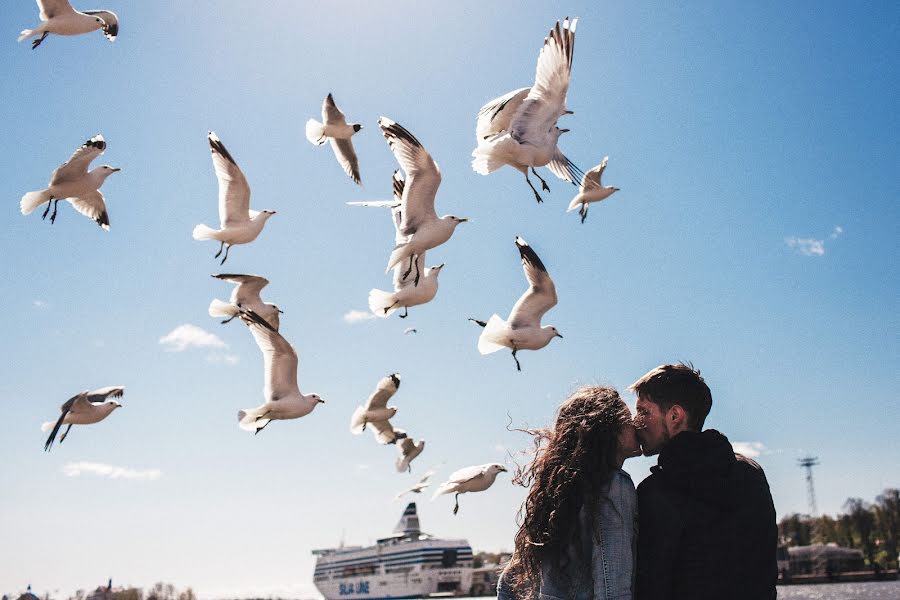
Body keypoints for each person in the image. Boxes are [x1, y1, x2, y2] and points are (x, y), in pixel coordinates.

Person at [630, 363, 777, 599]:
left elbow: (651, 587)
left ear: (675, 416)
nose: (636, 423)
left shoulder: (655, 492)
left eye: (643, 412)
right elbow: (766, 573)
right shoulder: (751, 475)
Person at [498, 385, 642, 599]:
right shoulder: (614, 485)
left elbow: (508, 584)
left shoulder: (558, 489)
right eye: (628, 419)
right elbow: (612, 588)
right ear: (610, 430)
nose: (637, 425)